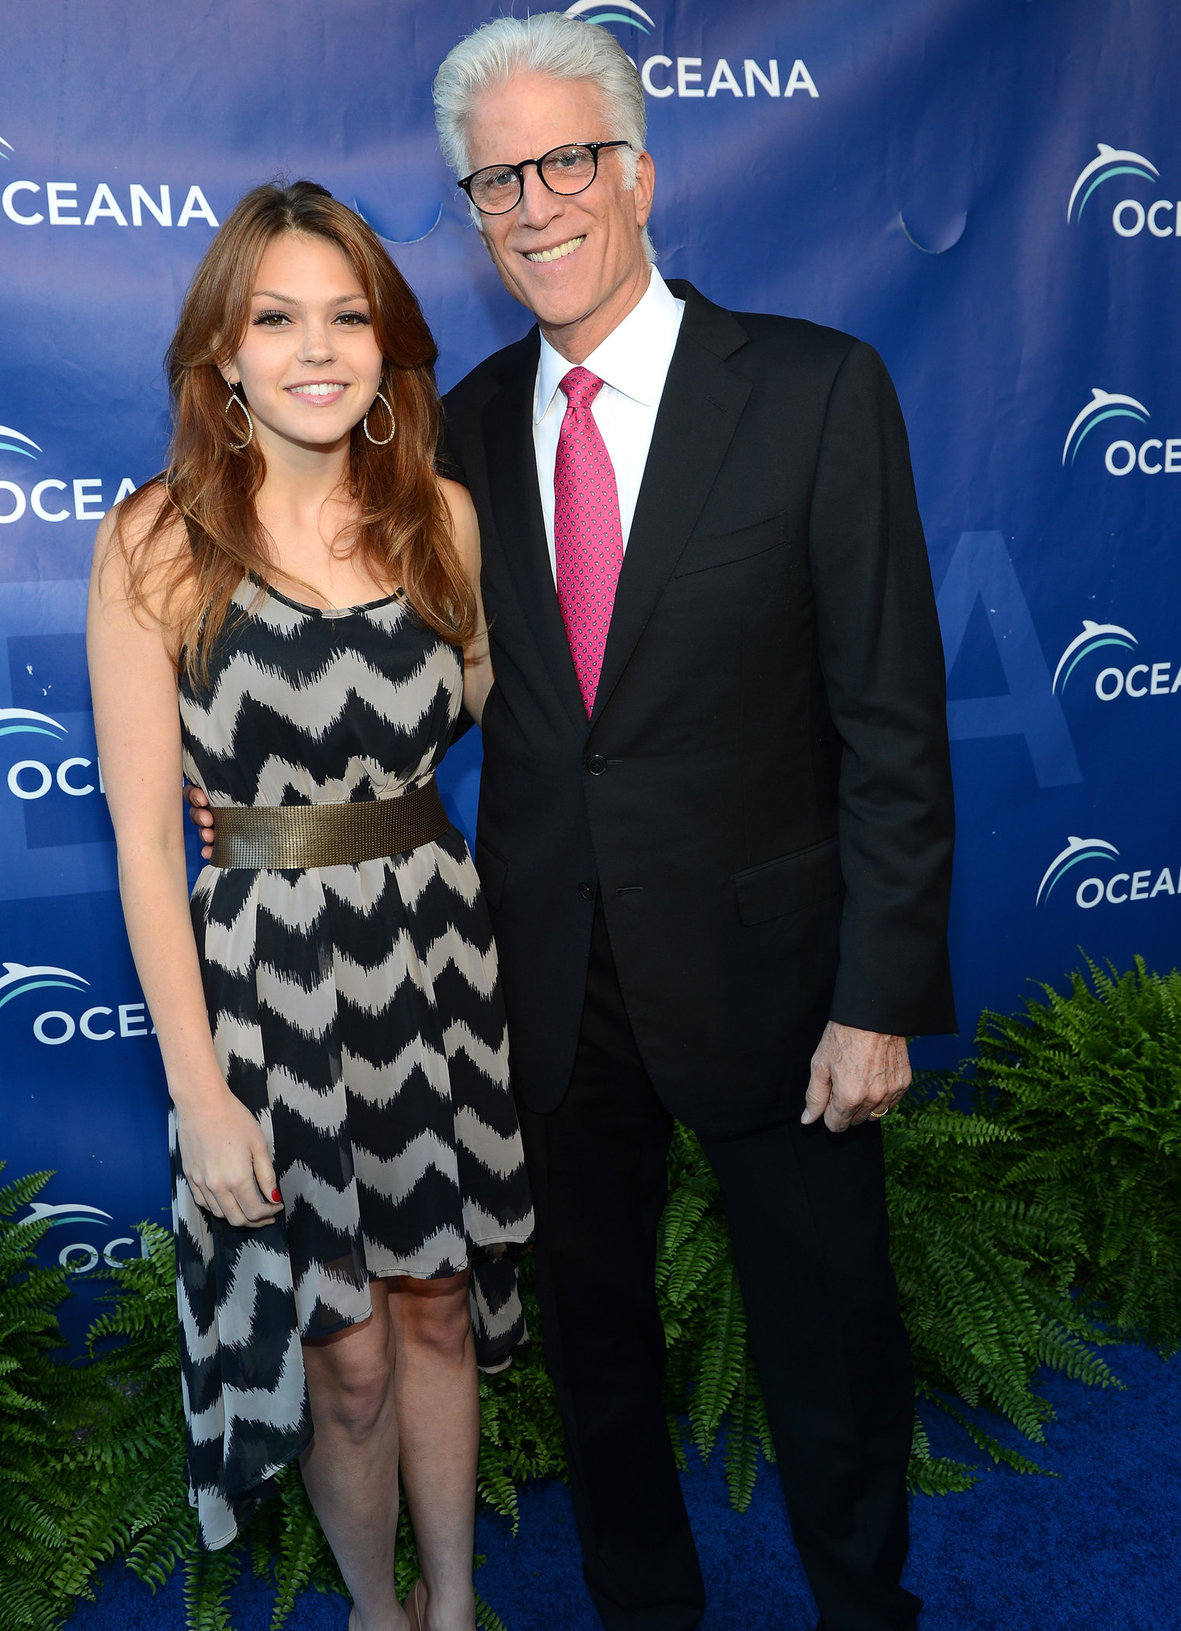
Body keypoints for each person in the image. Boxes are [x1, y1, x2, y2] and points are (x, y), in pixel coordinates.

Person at [189, 18, 955, 1624]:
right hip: (531, 986)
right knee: (599, 1364)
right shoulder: (447, 439)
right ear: (473, 212)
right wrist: (270, 806)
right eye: (495, 182)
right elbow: (396, 676)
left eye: (565, 164)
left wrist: (877, 994)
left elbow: (890, 719)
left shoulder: (818, 389)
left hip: (780, 979)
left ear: (638, 173)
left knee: (827, 1355)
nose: (533, 207)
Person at [88, 180, 532, 1631]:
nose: (316, 347)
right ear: (222, 353)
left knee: (432, 1312)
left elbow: (473, 713)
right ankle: (374, 1610)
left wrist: (341, 808)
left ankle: (452, 1609)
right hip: (267, 987)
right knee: (339, 1349)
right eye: (276, 318)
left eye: (347, 315)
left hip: (432, 968)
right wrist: (199, 1095)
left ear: (387, 342)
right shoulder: (156, 539)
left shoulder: (441, 520)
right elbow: (150, 847)